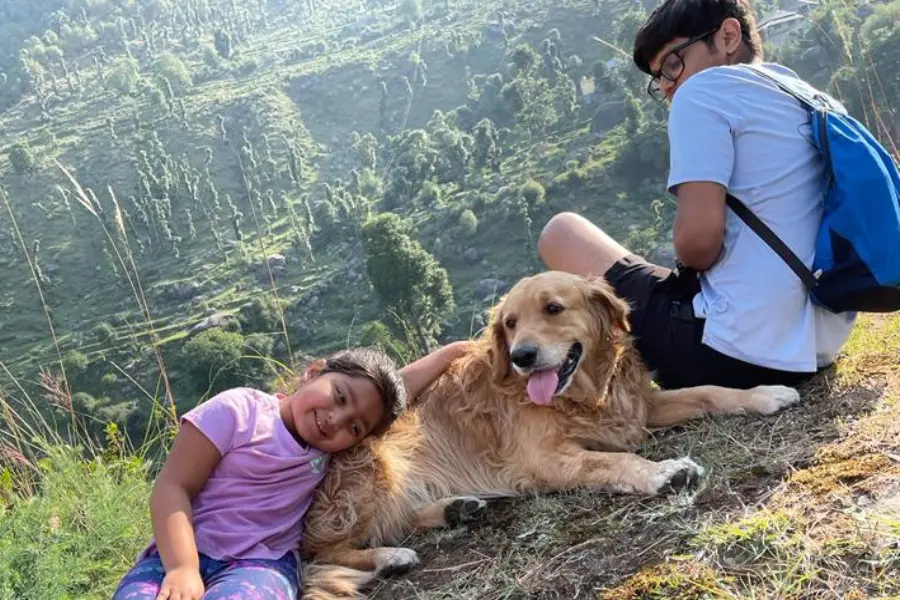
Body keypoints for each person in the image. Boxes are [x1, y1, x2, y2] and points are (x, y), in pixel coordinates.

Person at [538, 0, 857, 391]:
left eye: (673, 63)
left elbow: (699, 247)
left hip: (730, 354)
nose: (666, 85)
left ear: (728, 37)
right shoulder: (808, 95)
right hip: (820, 346)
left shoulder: (701, 92)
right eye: (658, 78)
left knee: (562, 232)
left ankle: (602, 387)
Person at [111, 342, 471, 600]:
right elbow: (172, 487)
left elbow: (397, 390)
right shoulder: (238, 411)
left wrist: (451, 354)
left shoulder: (324, 452)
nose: (335, 419)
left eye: (355, 427)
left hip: (261, 564)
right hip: (181, 553)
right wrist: (183, 569)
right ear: (314, 372)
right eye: (339, 396)